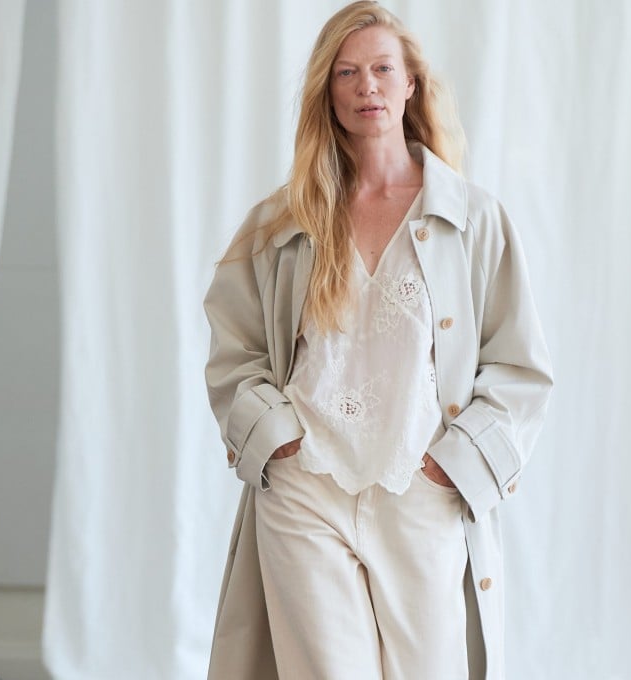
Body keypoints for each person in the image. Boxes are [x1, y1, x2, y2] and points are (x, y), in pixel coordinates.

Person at [203, 2, 553, 678]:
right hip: (307, 488)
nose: (367, 86)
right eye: (347, 73)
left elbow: (520, 367)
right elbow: (234, 342)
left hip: (419, 490)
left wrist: (458, 463)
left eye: (383, 69)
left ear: (410, 83)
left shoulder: (471, 219)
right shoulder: (285, 220)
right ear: (328, 92)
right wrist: (272, 434)